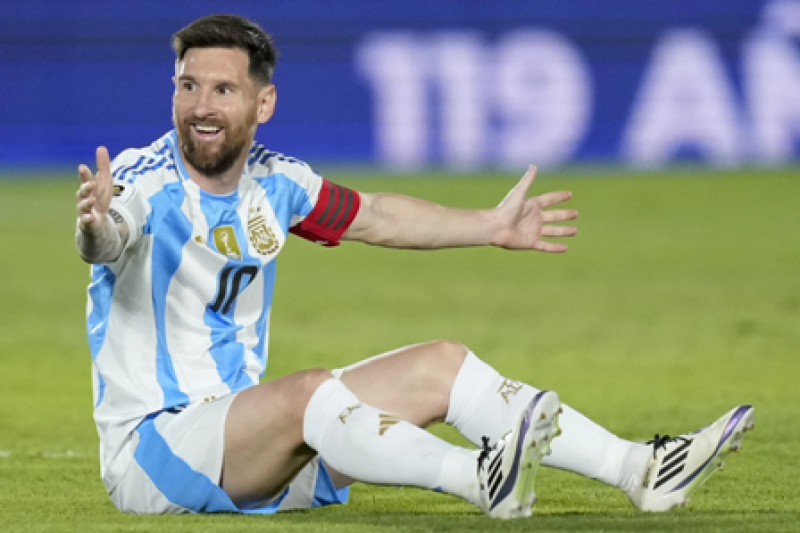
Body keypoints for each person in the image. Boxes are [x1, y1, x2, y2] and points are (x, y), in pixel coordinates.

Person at [74, 14, 754, 518]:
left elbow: (375, 215)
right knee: (310, 391)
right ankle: (477, 475)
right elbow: (110, 238)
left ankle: (639, 467)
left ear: (262, 103)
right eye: (188, 86)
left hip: (252, 444)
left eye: (222, 89)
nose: (201, 107)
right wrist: (97, 225)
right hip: (156, 454)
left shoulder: (279, 185)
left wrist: (490, 226)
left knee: (442, 362)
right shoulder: (144, 180)